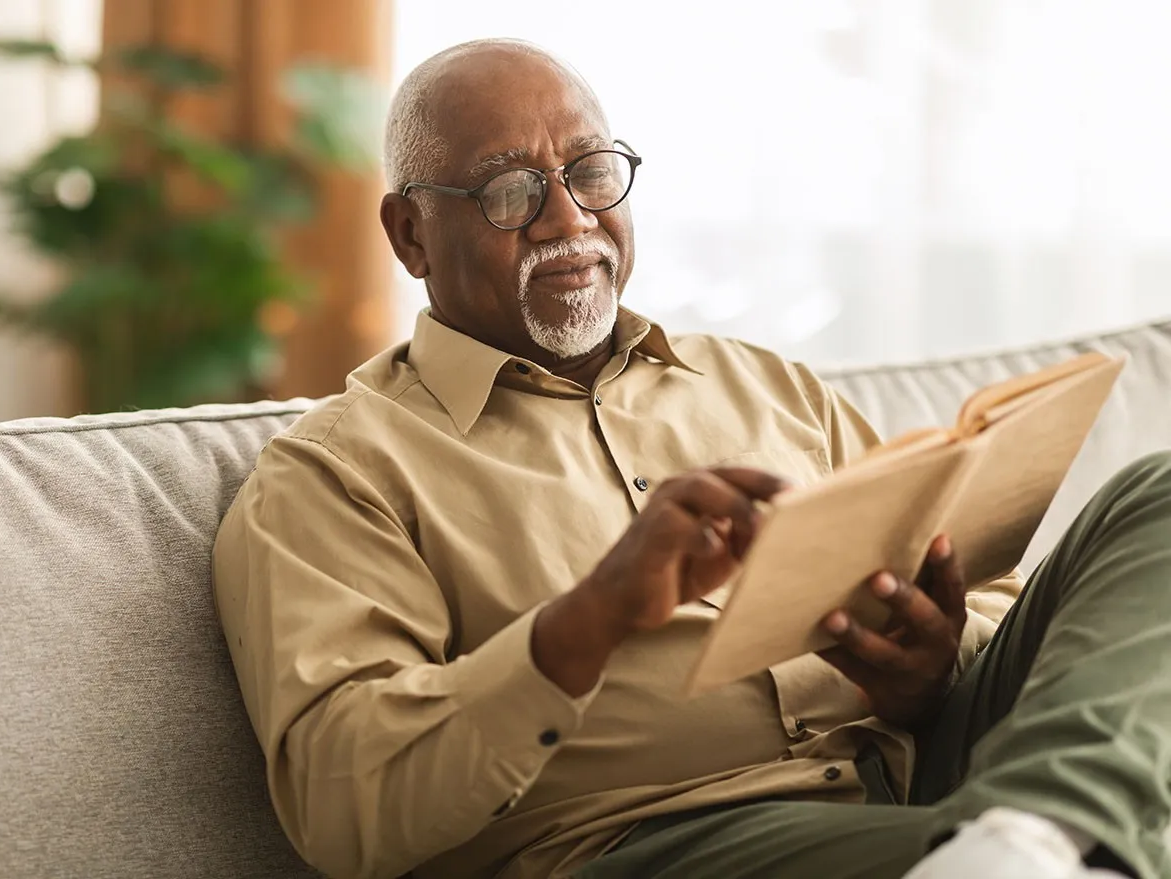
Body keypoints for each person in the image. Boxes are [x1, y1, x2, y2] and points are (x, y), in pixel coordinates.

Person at [212, 38, 1169, 879]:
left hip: (935, 777)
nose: (568, 219)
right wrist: (588, 618)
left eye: (591, 171)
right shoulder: (339, 473)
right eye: (510, 191)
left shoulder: (761, 383)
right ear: (411, 233)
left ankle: (1042, 832)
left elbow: (982, 601)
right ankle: (1061, 839)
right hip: (657, 840)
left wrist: (933, 667)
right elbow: (344, 806)